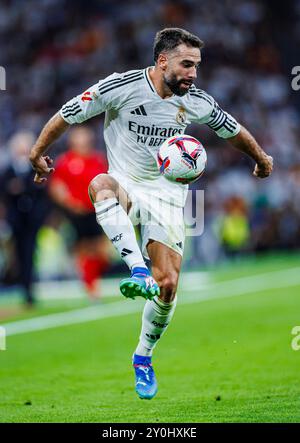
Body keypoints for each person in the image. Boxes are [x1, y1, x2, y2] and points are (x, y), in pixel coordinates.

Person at [29, 28, 273, 399]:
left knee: (169, 285)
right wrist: (37, 152)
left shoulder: (194, 99)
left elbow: (231, 129)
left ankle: (142, 357)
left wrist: (260, 158)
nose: (193, 73)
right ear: (162, 61)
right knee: (100, 185)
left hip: (169, 194)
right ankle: (137, 271)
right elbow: (67, 115)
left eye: (197, 66)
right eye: (187, 64)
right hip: (125, 180)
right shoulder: (120, 86)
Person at [48, 126, 110, 300]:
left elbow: (107, 181)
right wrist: (69, 202)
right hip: (76, 212)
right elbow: (57, 186)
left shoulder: (98, 159)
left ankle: (91, 279)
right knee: (84, 249)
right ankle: (91, 286)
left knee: (102, 251)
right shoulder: (65, 161)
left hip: (97, 210)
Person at [0, 131, 50, 306]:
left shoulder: (34, 168)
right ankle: (21, 285)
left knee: (29, 253)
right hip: (16, 221)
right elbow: (5, 191)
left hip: (32, 220)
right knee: (18, 255)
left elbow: (42, 190)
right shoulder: (8, 170)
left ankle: (28, 288)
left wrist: (22, 188)